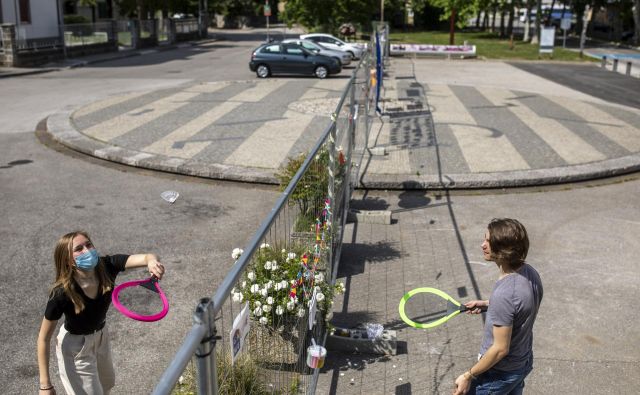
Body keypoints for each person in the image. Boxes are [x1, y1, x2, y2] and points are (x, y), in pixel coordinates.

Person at [37, 231, 165, 395]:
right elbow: (43, 338)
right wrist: (45, 385)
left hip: (101, 337)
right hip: (76, 347)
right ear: (69, 261)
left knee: (106, 386)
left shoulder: (108, 265)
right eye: (79, 249)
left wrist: (152, 261)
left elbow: (147, 256)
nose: (87, 251)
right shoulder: (62, 293)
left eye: (88, 245)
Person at [453, 218, 543, 395]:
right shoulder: (529, 272)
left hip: (499, 373)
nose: (482, 245)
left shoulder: (506, 294)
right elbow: (521, 307)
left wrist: (468, 375)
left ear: (504, 250)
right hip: (522, 362)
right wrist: (489, 304)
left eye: (488, 241)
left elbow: (500, 349)